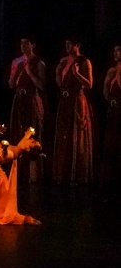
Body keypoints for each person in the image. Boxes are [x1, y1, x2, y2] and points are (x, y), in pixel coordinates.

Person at [53, 38, 95, 184]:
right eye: (66, 44)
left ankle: (78, 174)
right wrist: (58, 73)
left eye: (70, 44)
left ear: (77, 45)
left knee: (77, 135)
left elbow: (89, 84)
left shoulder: (84, 61)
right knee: (64, 135)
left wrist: (77, 74)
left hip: (77, 100)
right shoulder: (64, 61)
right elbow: (61, 84)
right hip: (65, 101)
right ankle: (63, 173)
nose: (67, 46)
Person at [8, 38, 47, 181]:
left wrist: (29, 72)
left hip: (31, 100)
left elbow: (42, 85)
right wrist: (16, 72)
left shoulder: (39, 63)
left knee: (32, 132)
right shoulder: (16, 61)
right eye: (21, 43)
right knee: (18, 131)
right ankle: (18, 172)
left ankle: (33, 174)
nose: (23, 46)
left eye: (26, 43)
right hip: (19, 99)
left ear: (33, 45)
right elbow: (11, 84)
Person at [103, 45, 121, 183]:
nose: (116, 53)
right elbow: (105, 92)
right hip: (113, 108)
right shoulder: (111, 70)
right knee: (112, 141)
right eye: (114, 50)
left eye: (119, 50)